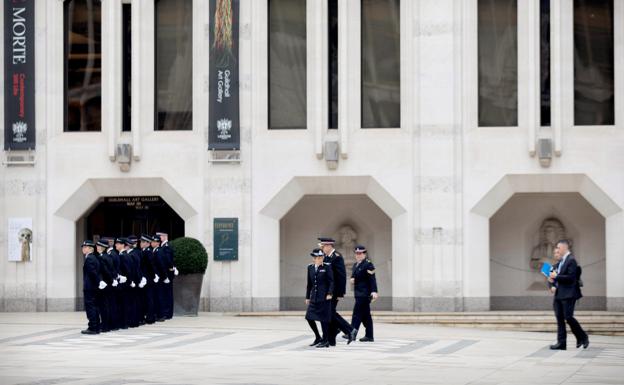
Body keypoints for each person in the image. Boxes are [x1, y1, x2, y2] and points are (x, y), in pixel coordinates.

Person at [548, 239, 589, 350]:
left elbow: (571, 278)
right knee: (560, 319)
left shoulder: (571, 260)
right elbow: (555, 277)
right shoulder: (560, 262)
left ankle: (583, 336)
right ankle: (561, 343)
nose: (557, 249)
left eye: (558, 248)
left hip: (568, 294)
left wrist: (555, 277)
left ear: (564, 248)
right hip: (559, 294)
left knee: (568, 317)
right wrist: (552, 282)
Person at [319, 237, 357, 345]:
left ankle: (349, 330)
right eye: (322, 246)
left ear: (329, 246)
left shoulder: (337, 257)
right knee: (329, 313)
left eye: (323, 246)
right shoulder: (326, 257)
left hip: (334, 291)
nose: (322, 248)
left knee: (329, 313)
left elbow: (341, 276)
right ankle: (331, 339)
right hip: (326, 291)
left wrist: (340, 292)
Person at [305, 248, 334, 348]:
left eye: (321, 257)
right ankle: (318, 337)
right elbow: (309, 284)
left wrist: (330, 293)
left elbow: (331, 281)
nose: (320, 259)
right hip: (314, 298)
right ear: (314, 258)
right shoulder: (310, 268)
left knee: (323, 319)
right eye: (318, 257)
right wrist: (307, 297)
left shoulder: (327, 267)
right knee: (309, 317)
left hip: (324, 297)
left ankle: (325, 340)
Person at [349, 245, 378, 342]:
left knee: (356, 313)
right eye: (356, 253)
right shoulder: (355, 265)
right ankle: (369, 336)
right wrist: (352, 279)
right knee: (366, 316)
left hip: (365, 294)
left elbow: (372, 279)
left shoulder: (368, 264)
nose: (358, 255)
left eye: (360, 253)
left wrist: (374, 291)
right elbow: (353, 277)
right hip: (358, 293)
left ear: (364, 254)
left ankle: (351, 332)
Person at [81, 240, 105, 335]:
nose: (83, 249)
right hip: (94, 287)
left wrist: (99, 281)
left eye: (85, 247)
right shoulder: (94, 257)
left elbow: (93, 273)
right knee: (94, 306)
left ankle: (93, 327)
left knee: (90, 307)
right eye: (83, 247)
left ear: (90, 248)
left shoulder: (90, 258)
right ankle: (96, 326)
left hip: (90, 287)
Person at [95, 240, 116, 332]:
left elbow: (106, 271)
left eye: (98, 246)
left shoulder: (102, 257)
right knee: (107, 304)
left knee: (103, 306)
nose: (97, 247)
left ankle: (105, 325)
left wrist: (109, 280)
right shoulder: (107, 256)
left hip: (104, 284)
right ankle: (108, 324)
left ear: (101, 247)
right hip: (109, 284)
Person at [157, 232, 177, 319]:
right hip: (165, 273)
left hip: (167, 273)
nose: (158, 238)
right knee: (165, 293)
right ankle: (166, 312)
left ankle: (168, 313)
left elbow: (168, 261)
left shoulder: (167, 246)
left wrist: (171, 270)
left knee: (167, 293)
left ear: (164, 237)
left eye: (159, 236)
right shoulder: (163, 247)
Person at [139, 234, 157, 324]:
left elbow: (151, 266)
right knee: (145, 298)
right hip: (145, 278)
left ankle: (150, 317)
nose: (140, 243)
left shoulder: (148, 252)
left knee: (149, 298)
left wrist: (153, 276)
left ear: (147, 243)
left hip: (148, 278)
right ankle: (148, 316)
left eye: (142, 242)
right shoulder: (144, 251)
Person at [151, 235, 169, 322]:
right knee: (157, 296)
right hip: (156, 277)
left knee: (160, 296)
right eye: (152, 241)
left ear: (158, 243)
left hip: (159, 277)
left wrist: (164, 276)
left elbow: (162, 265)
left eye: (154, 242)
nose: (152, 243)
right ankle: (158, 313)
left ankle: (161, 315)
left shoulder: (159, 251)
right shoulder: (154, 251)